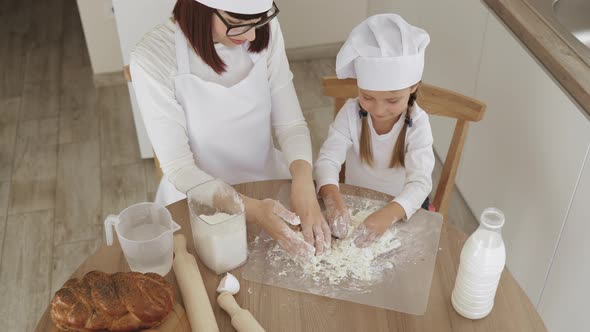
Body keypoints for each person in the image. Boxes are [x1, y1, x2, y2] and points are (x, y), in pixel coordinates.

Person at [130, 0, 330, 259]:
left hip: (267, 181)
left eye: (258, 21)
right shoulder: (153, 55)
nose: (251, 36)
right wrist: (252, 209)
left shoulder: (262, 29)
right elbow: (179, 167)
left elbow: (291, 124)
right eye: (237, 25)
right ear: (199, 8)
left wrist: (303, 181)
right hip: (199, 203)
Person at [315, 14, 435, 247]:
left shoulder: (418, 125)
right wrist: (332, 196)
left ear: (413, 87)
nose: (378, 110)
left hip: (400, 209)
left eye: (392, 100)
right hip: (355, 202)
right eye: (367, 97)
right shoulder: (351, 114)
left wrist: (388, 214)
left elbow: (420, 183)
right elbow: (328, 159)